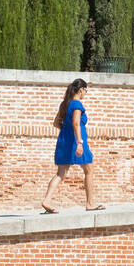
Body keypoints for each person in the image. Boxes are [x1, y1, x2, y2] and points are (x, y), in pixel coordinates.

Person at [42, 79, 103, 213]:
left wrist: (67, 131)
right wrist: (79, 142)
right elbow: (76, 123)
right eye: (86, 90)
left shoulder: (64, 104)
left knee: (60, 174)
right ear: (81, 89)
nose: (85, 93)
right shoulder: (77, 104)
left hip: (64, 141)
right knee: (89, 170)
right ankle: (90, 203)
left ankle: (47, 200)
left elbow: (56, 123)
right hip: (77, 141)